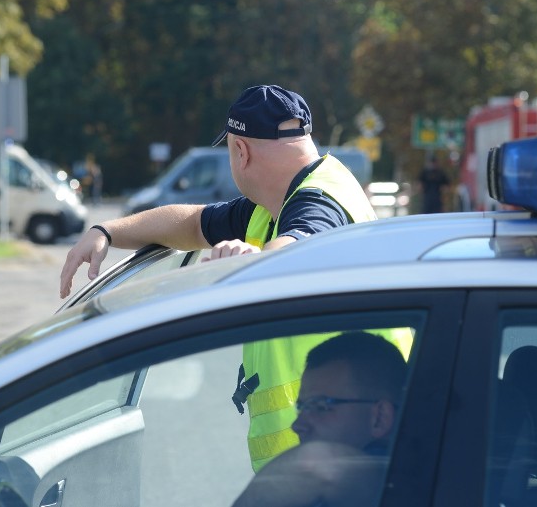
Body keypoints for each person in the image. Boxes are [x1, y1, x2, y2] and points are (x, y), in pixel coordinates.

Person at [59, 84, 412, 470]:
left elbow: (302, 246)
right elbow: (192, 223)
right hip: (318, 466)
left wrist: (255, 261)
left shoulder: (320, 202)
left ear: (240, 151)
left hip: (339, 473)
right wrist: (108, 231)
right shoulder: (278, 203)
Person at [232, 332, 406, 507]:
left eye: (321, 406)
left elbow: (318, 466)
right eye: (301, 407)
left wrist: (311, 462)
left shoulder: (402, 486)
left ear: (380, 418)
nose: (297, 425)